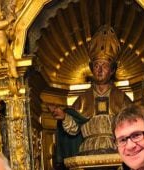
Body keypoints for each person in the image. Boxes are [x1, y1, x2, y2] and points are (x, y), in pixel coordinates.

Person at [49, 25, 132, 160]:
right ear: (91, 68)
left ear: (112, 70)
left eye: (104, 66)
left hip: (116, 151)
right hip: (87, 153)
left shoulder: (122, 98)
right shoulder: (83, 99)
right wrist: (64, 116)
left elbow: (132, 127)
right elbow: (74, 129)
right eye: (96, 65)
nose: (99, 70)